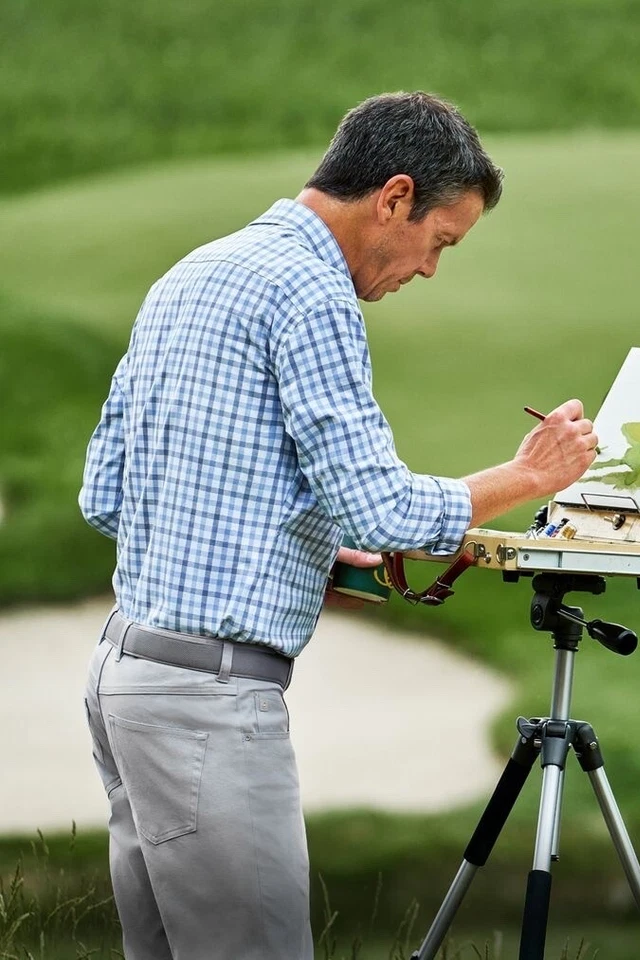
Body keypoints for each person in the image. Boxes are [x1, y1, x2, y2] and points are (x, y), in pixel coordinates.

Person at [79, 91, 598, 960]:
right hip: (209, 704)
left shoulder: (198, 269)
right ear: (393, 198)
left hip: (123, 681)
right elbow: (384, 510)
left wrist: (295, 552)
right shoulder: (312, 292)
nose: (430, 269)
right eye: (440, 241)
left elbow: (106, 493)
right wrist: (529, 475)